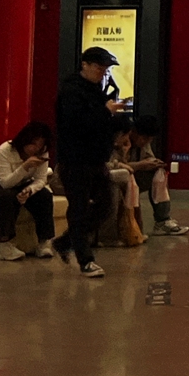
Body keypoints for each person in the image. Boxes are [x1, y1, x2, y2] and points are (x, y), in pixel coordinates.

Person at [53, 45, 125, 278]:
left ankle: (65, 242)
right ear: (84, 65)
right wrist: (105, 112)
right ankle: (85, 260)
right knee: (79, 208)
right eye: (98, 68)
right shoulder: (72, 90)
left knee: (105, 205)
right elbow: (77, 123)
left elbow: (101, 123)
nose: (102, 73)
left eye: (105, 70)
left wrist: (117, 120)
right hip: (75, 160)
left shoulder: (97, 90)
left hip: (96, 159)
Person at [0, 122, 57, 260]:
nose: (36, 148)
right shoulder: (5, 150)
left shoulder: (42, 153)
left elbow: (41, 180)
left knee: (45, 195)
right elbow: (5, 183)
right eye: (34, 143)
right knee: (8, 196)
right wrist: (25, 166)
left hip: (23, 184)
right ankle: (5, 244)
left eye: (41, 145)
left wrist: (29, 191)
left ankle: (44, 242)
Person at [126, 114, 185, 235]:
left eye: (150, 140)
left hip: (134, 176)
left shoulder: (143, 143)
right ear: (134, 132)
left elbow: (148, 158)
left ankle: (162, 220)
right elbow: (115, 165)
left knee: (159, 173)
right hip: (120, 177)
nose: (146, 142)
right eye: (144, 138)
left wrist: (154, 163)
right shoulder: (121, 140)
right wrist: (140, 165)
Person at [100, 118, 147, 248]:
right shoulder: (101, 144)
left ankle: (131, 230)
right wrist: (119, 164)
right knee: (114, 186)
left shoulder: (116, 147)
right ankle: (107, 236)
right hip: (82, 180)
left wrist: (124, 152)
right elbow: (100, 165)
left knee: (125, 184)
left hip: (100, 178)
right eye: (126, 135)